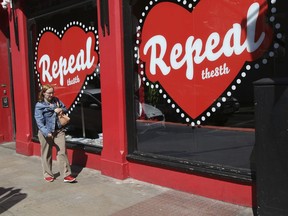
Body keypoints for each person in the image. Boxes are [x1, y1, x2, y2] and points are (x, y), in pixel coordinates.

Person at [34, 84, 76, 183]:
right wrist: (46, 132)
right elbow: (39, 121)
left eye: (52, 92)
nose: (51, 95)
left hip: (59, 131)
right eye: (49, 93)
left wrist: (60, 109)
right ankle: (48, 174)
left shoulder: (56, 100)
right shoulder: (39, 105)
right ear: (43, 93)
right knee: (46, 154)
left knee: (62, 152)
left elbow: (65, 108)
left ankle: (66, 175)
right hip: (46, 132)